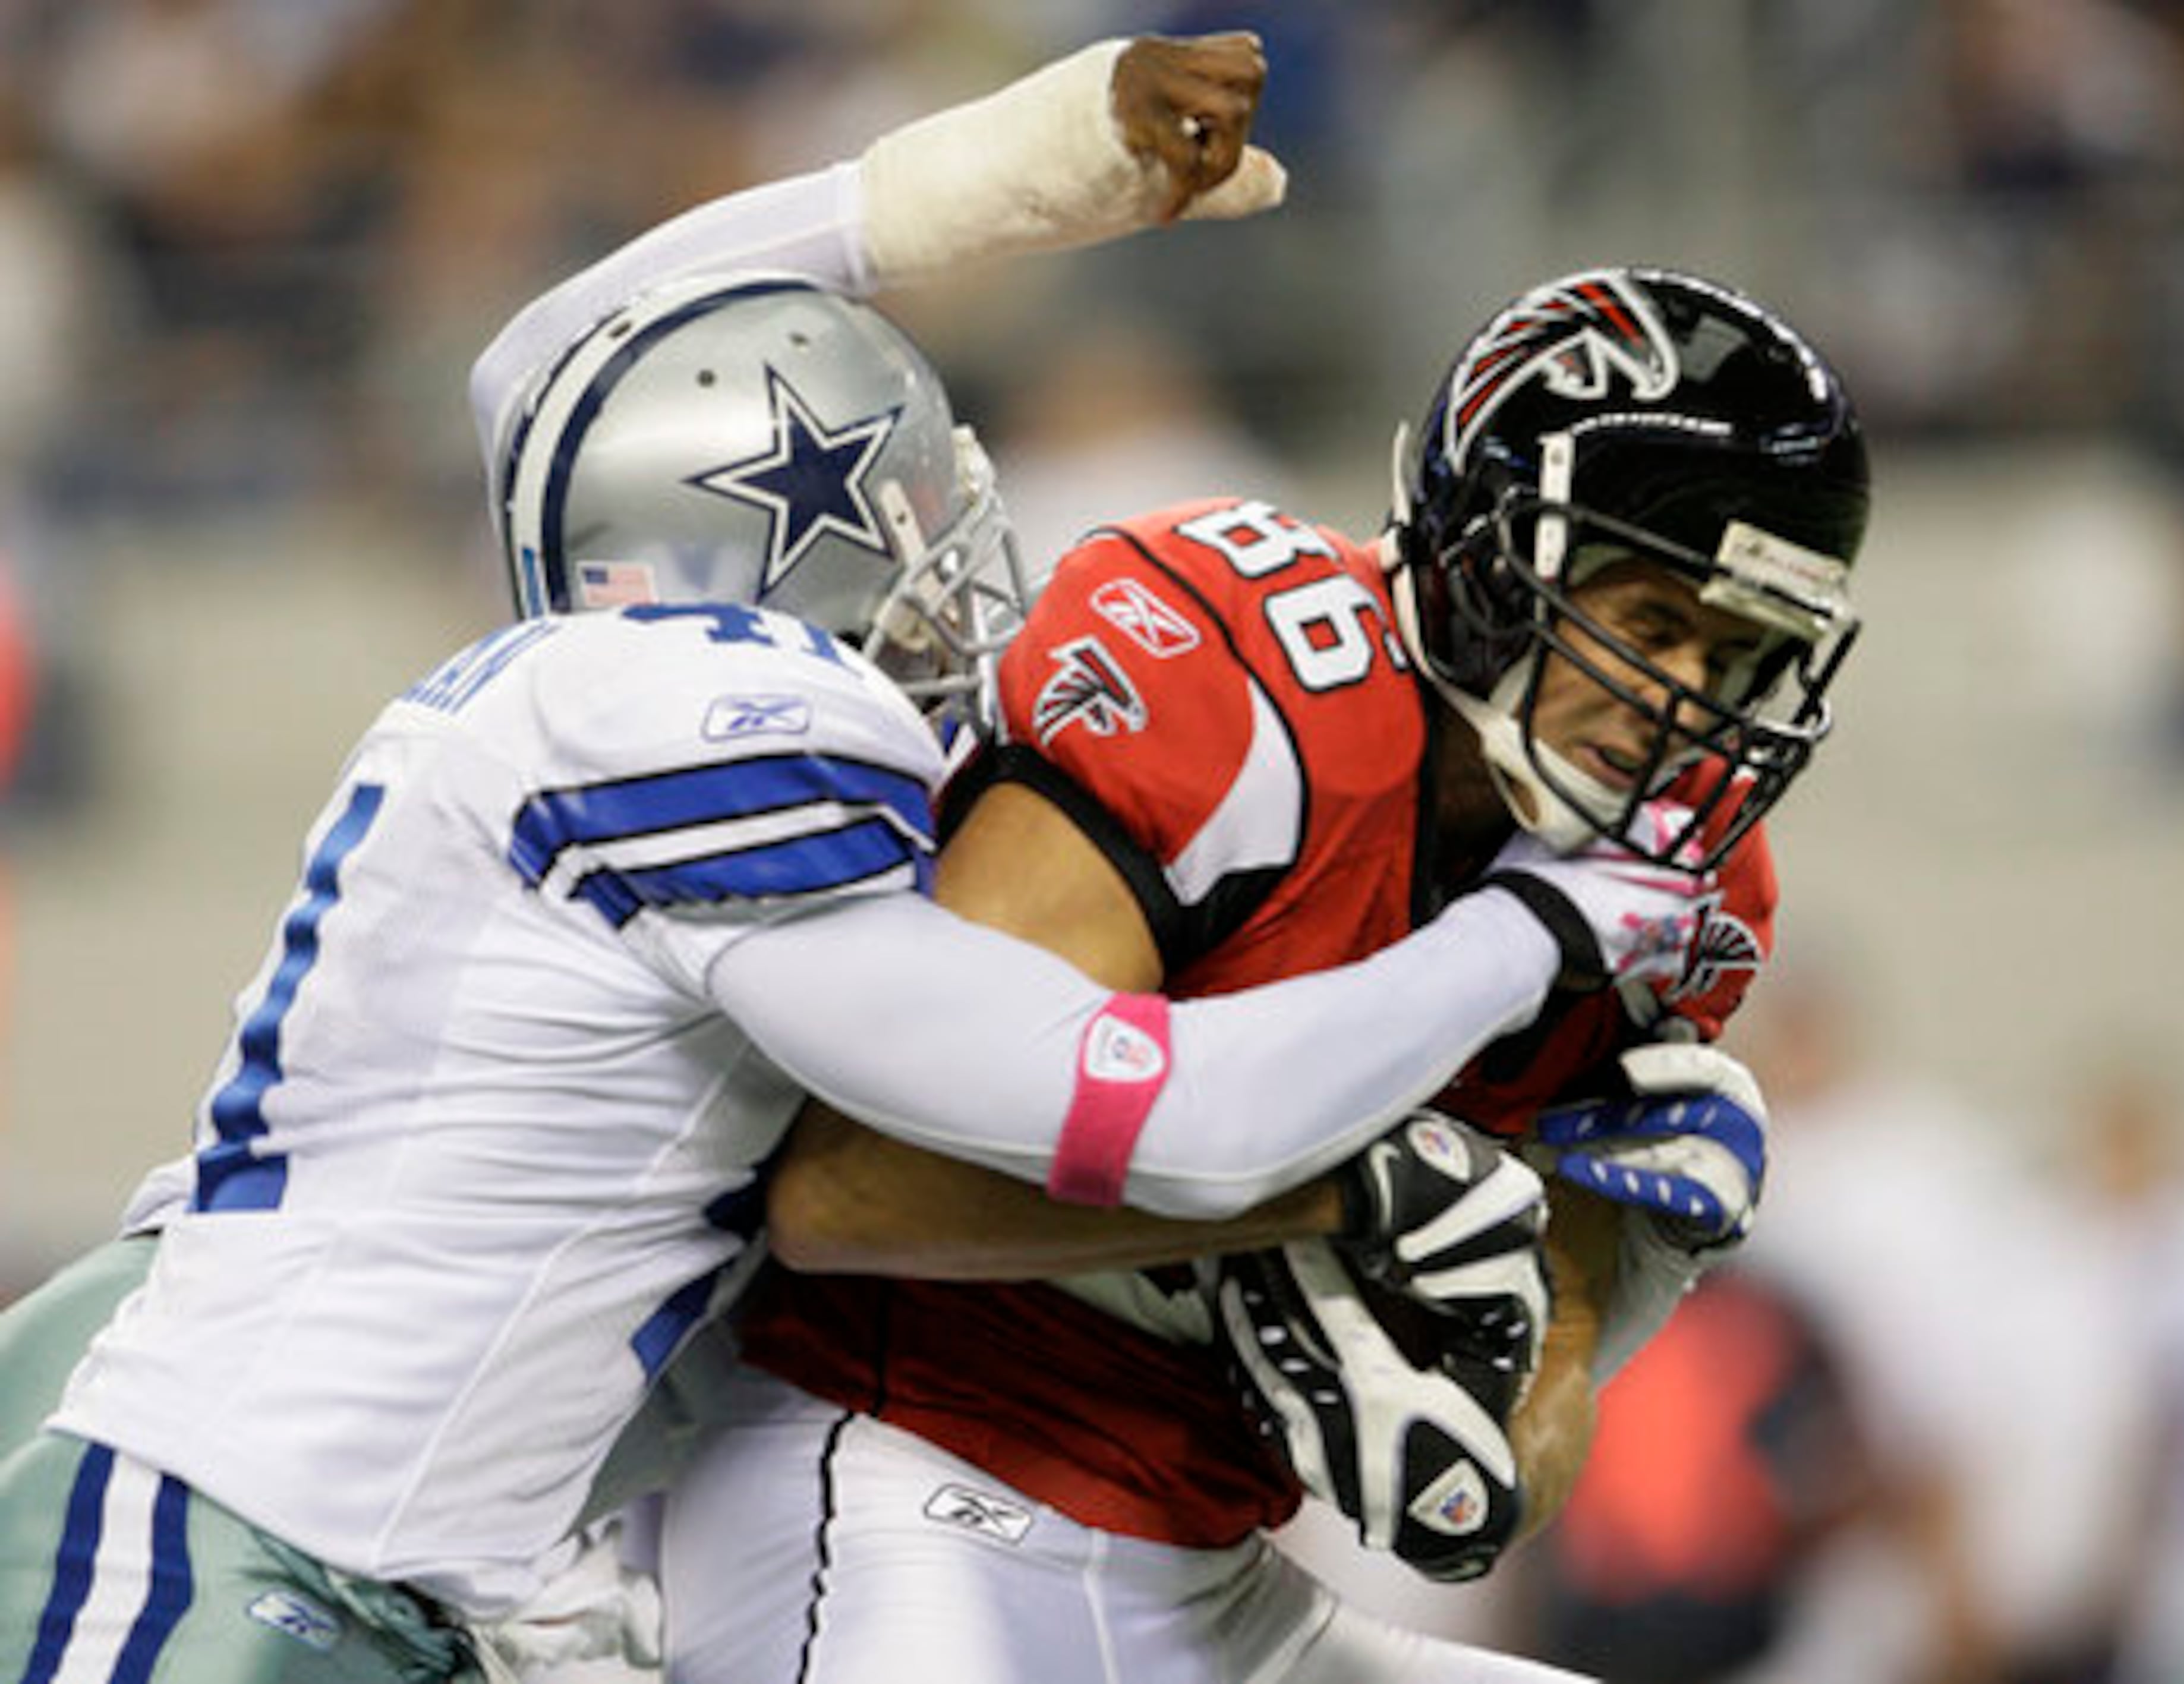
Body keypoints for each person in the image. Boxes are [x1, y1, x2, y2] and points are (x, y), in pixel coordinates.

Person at [0, 35, 1700, 1684]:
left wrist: (995, 178)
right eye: (910, 511)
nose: (957, 555)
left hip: (304, 1524)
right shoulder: (718, 717)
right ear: (769, 539)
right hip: (239, 1521)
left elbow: (552, 364)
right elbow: (1172, 1117)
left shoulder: (594, 679)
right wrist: (1531, 933)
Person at [658, 237, 1870, 1684]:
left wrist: (1536, 1369)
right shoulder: (1235, 679)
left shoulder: (1686, 886)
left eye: (1734, 657)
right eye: (1655, 624)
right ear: (1492, 553)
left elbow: (1503, 1465)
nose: (1685, 703)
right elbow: (850, 1185)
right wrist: (1320, 1202)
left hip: (1211, 1573)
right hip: (895, 1466)